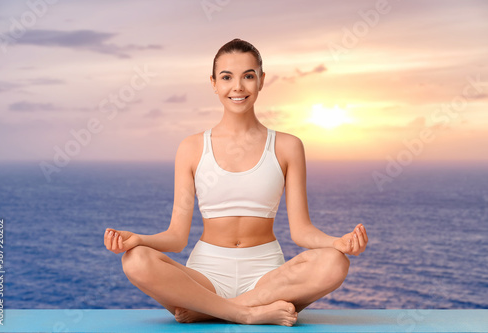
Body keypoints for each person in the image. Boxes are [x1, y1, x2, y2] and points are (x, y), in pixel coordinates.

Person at [104, 38, 368, 326]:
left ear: (261, 81)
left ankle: (210, 311)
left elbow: (302, 231)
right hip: (206, 275)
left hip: (267, 277)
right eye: (227, 77)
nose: (238, 87)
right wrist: (138, 240)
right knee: (135, 260)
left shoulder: (287, 146)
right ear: (214, 83)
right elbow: (177, 238)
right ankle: (247, 313)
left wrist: (338, 243)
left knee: (335, 263)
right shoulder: (191, 147)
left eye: (248, 76)